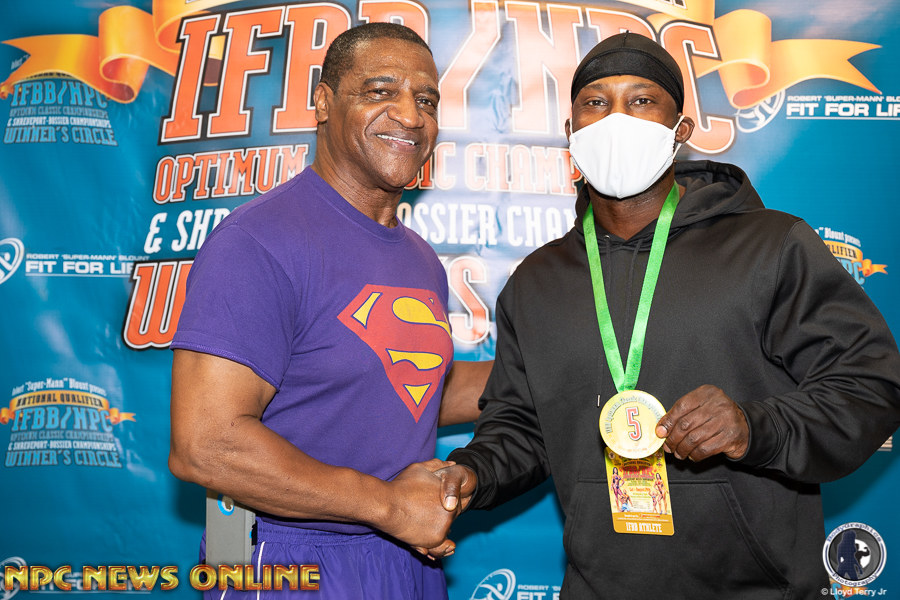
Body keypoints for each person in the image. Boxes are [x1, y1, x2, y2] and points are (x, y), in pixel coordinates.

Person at [436, 32, 900, 598]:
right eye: (596, 102)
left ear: (679, 129)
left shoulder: (770, 246)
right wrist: (471, 473)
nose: (616, 119)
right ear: (572, 131)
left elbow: (870, 386)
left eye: (641, 100)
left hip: (760, 588)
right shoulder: (536, 281)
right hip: (599, 588)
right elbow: (522, 427)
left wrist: (755, 426)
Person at [168, 22, 490, 599]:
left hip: (404, 555)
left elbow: (403, 390)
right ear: (323, 102)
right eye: (380, 91)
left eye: (426, 100)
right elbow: (207, 445)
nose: (410, 115)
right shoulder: (258, 240)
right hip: (281, 555)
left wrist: (555, 371)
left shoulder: (421, 259)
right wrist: (388, 505)